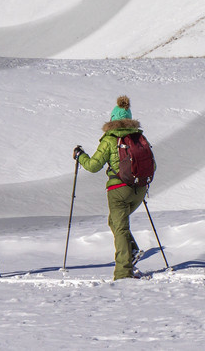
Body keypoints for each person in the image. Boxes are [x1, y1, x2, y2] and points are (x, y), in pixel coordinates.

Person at [73, 95, 149, 281]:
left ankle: (123, 273)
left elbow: (93, 166)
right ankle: (132, 250)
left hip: (118, 190)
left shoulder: (109, 139)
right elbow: (152, 165)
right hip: (139, 189)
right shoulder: (139, 137)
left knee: (120, 227)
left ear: (113, 120)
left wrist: (80, 156)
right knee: (114, 222)